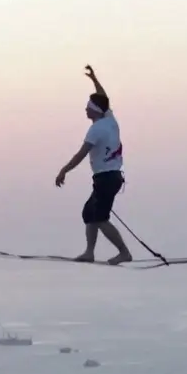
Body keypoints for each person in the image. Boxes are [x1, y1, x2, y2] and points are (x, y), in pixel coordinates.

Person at [55, 65, 134, 265]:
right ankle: (89, 252)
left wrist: (63, 170)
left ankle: (124, 253)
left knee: (100, 218)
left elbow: (81, 154)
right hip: (109, 177)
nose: (85, 108)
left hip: (107, 178)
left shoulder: (96, 129)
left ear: (95, 110)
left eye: (88, 106)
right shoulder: (110, 120)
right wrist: (94, 79)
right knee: (89, 213)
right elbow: (104, 97)